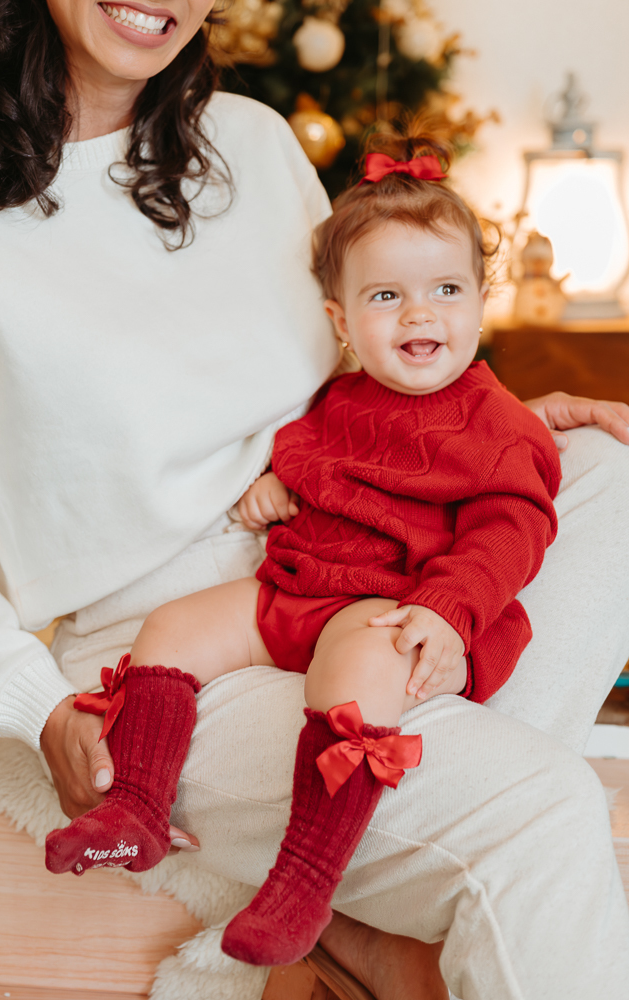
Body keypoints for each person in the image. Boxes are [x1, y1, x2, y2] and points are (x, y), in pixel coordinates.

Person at [0, 0, 627, 996]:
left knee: (606, 473)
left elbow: (359, 356)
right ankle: (396, 872)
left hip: (354, 570)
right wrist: (38, 709)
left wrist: (492, 417)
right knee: (542, 807)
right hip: (171, 659)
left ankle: (351, 877)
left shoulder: (250, 145)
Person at [44, 133, 564, 971]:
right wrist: (271, 488)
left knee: (358, 663)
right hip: (299, 589)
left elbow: (512, 532)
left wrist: (447, 610)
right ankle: (135, 807)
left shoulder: (497, 426)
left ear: (479, 302)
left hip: (398, 609)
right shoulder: (336, 400)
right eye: (386, 296)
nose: (419, 314)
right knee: (174, 627)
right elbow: (306, 460)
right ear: (341, 321)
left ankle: (305, 878)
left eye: (445, 290)